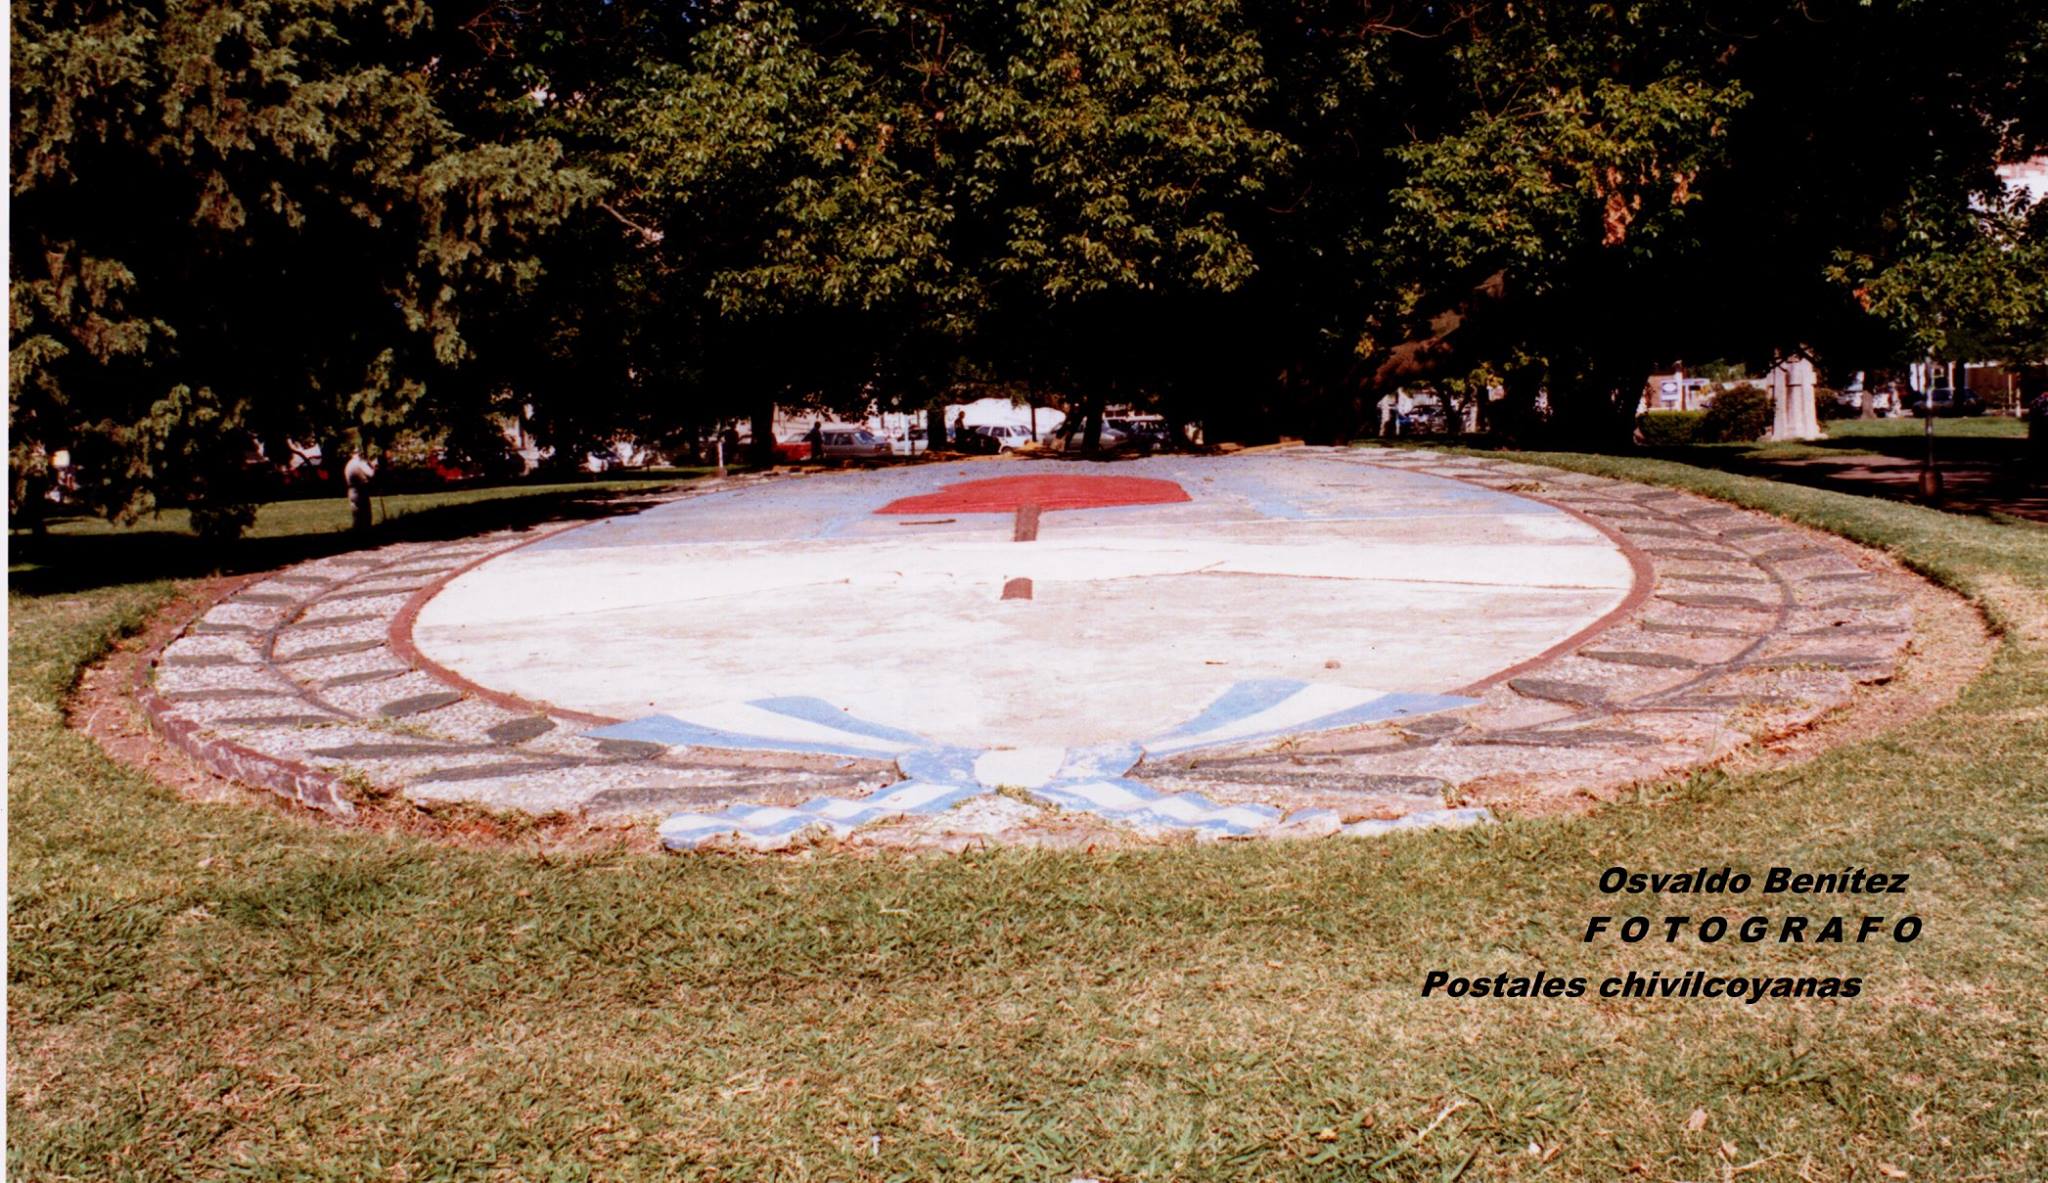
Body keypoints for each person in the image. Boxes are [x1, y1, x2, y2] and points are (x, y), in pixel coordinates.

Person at [344, 450, 377, 533]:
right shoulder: (359, 463)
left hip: (351, 490)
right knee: (365, 515)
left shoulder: (349, 464)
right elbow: (371, 474)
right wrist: (374, 467)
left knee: (356, 515)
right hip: (360, 490)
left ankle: (357, 534)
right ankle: (366, 534)